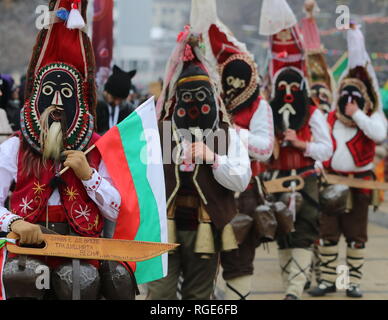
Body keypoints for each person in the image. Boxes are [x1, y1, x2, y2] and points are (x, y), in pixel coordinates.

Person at [0, 0, 136, 300]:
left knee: (83, 280)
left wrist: (89, 176)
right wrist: (14, 221)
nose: (58, 104)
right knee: (21, 277)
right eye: (49, 93)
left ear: (81, 101)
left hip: (81, 255)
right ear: (34, 99)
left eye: (67, 95)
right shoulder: (16, 146)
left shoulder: (99, 148)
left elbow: (117, 209)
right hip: (28, 252)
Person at [147, 24, 251, 300]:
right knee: (159, 295)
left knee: (199, 296)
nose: (194, 106)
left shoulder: (226, 135)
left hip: (204, 227)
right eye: (187, 99)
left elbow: (242, 178)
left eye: (202, 98)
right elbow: (139, 178)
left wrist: (213, 158)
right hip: (164, 229)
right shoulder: (159, 133)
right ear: (176, 99)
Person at [194, 0, 274, 299]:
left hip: (245, 190)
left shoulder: (260, 106)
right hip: (209, 188)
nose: (232, 86)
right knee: (204, 258)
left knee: (239, 260)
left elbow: (266, 149)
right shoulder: (215, 104)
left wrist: (237, 134)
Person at [259, 0, 332, 300]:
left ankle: (292, 292)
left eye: (293, 89)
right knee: (283, 234)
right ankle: (292, 283)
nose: (288, 94)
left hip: (305, 177)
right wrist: (271, 145)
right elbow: (259, 148)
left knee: (304, 231)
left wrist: (303, 144)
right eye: (282, 89)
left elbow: (326, 149)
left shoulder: (312, 112)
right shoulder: (267, 112)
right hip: (277, 177)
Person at [308, 22, 387, 299]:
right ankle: (329, 281)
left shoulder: (371, 115)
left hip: (359, 183)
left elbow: (379, 133)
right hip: (331, 182)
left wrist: (357, 114)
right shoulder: (330, 116)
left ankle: (352, 283)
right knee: (328, 233)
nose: (349, 101)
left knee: (356, 235)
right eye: (346, 97)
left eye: (355, 96)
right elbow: (320, 144)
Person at [96, 65, 136, 135]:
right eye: (114, 98)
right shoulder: (95, 107)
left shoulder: (129, 111)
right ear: (107, 92)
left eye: (121, 100)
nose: (117, 103)